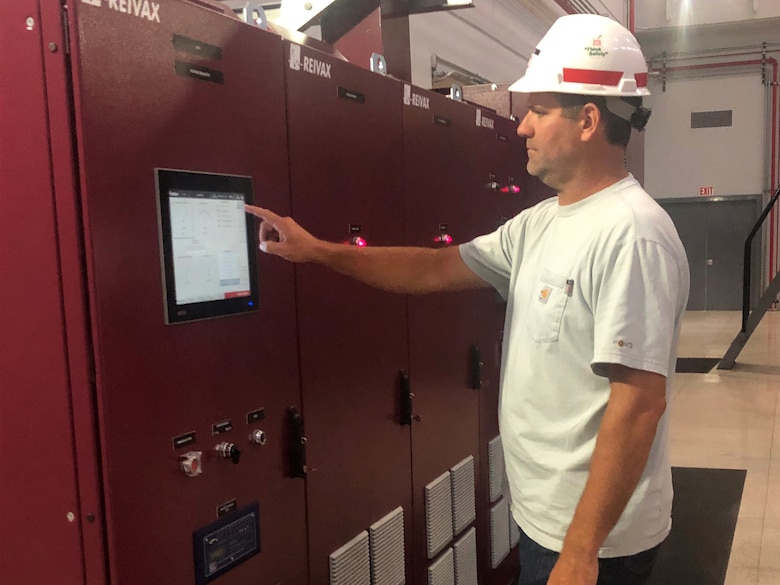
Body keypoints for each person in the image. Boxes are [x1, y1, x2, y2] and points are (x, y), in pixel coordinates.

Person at [246, 13, 689, 585]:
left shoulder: (633, 235)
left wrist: (581, 551)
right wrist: (319, 251)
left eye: (538, 110)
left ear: (587, 119)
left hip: (595, 540)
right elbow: (434, 267)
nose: (522, 127)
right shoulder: (541, 224)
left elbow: (637, 404)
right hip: (550, 521)